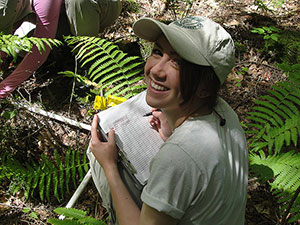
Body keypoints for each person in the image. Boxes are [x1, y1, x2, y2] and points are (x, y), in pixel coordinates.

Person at [89, 16, 248, 225]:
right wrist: (170, 131)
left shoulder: (178, 156)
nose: (156, 70)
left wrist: (109, 166)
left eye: (178, 62)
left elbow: (184, 161)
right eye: (157, 51)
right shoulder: (225, 113)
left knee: (97, 156)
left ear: (205, 87)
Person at [0, 0, 122, 98]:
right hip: (66, 13)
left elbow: (41, 48)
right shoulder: (10, 6)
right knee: (19, 49)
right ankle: (70, 45)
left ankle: (89, 62)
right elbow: (6, 37)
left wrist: (7, 86)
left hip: (102, 6)